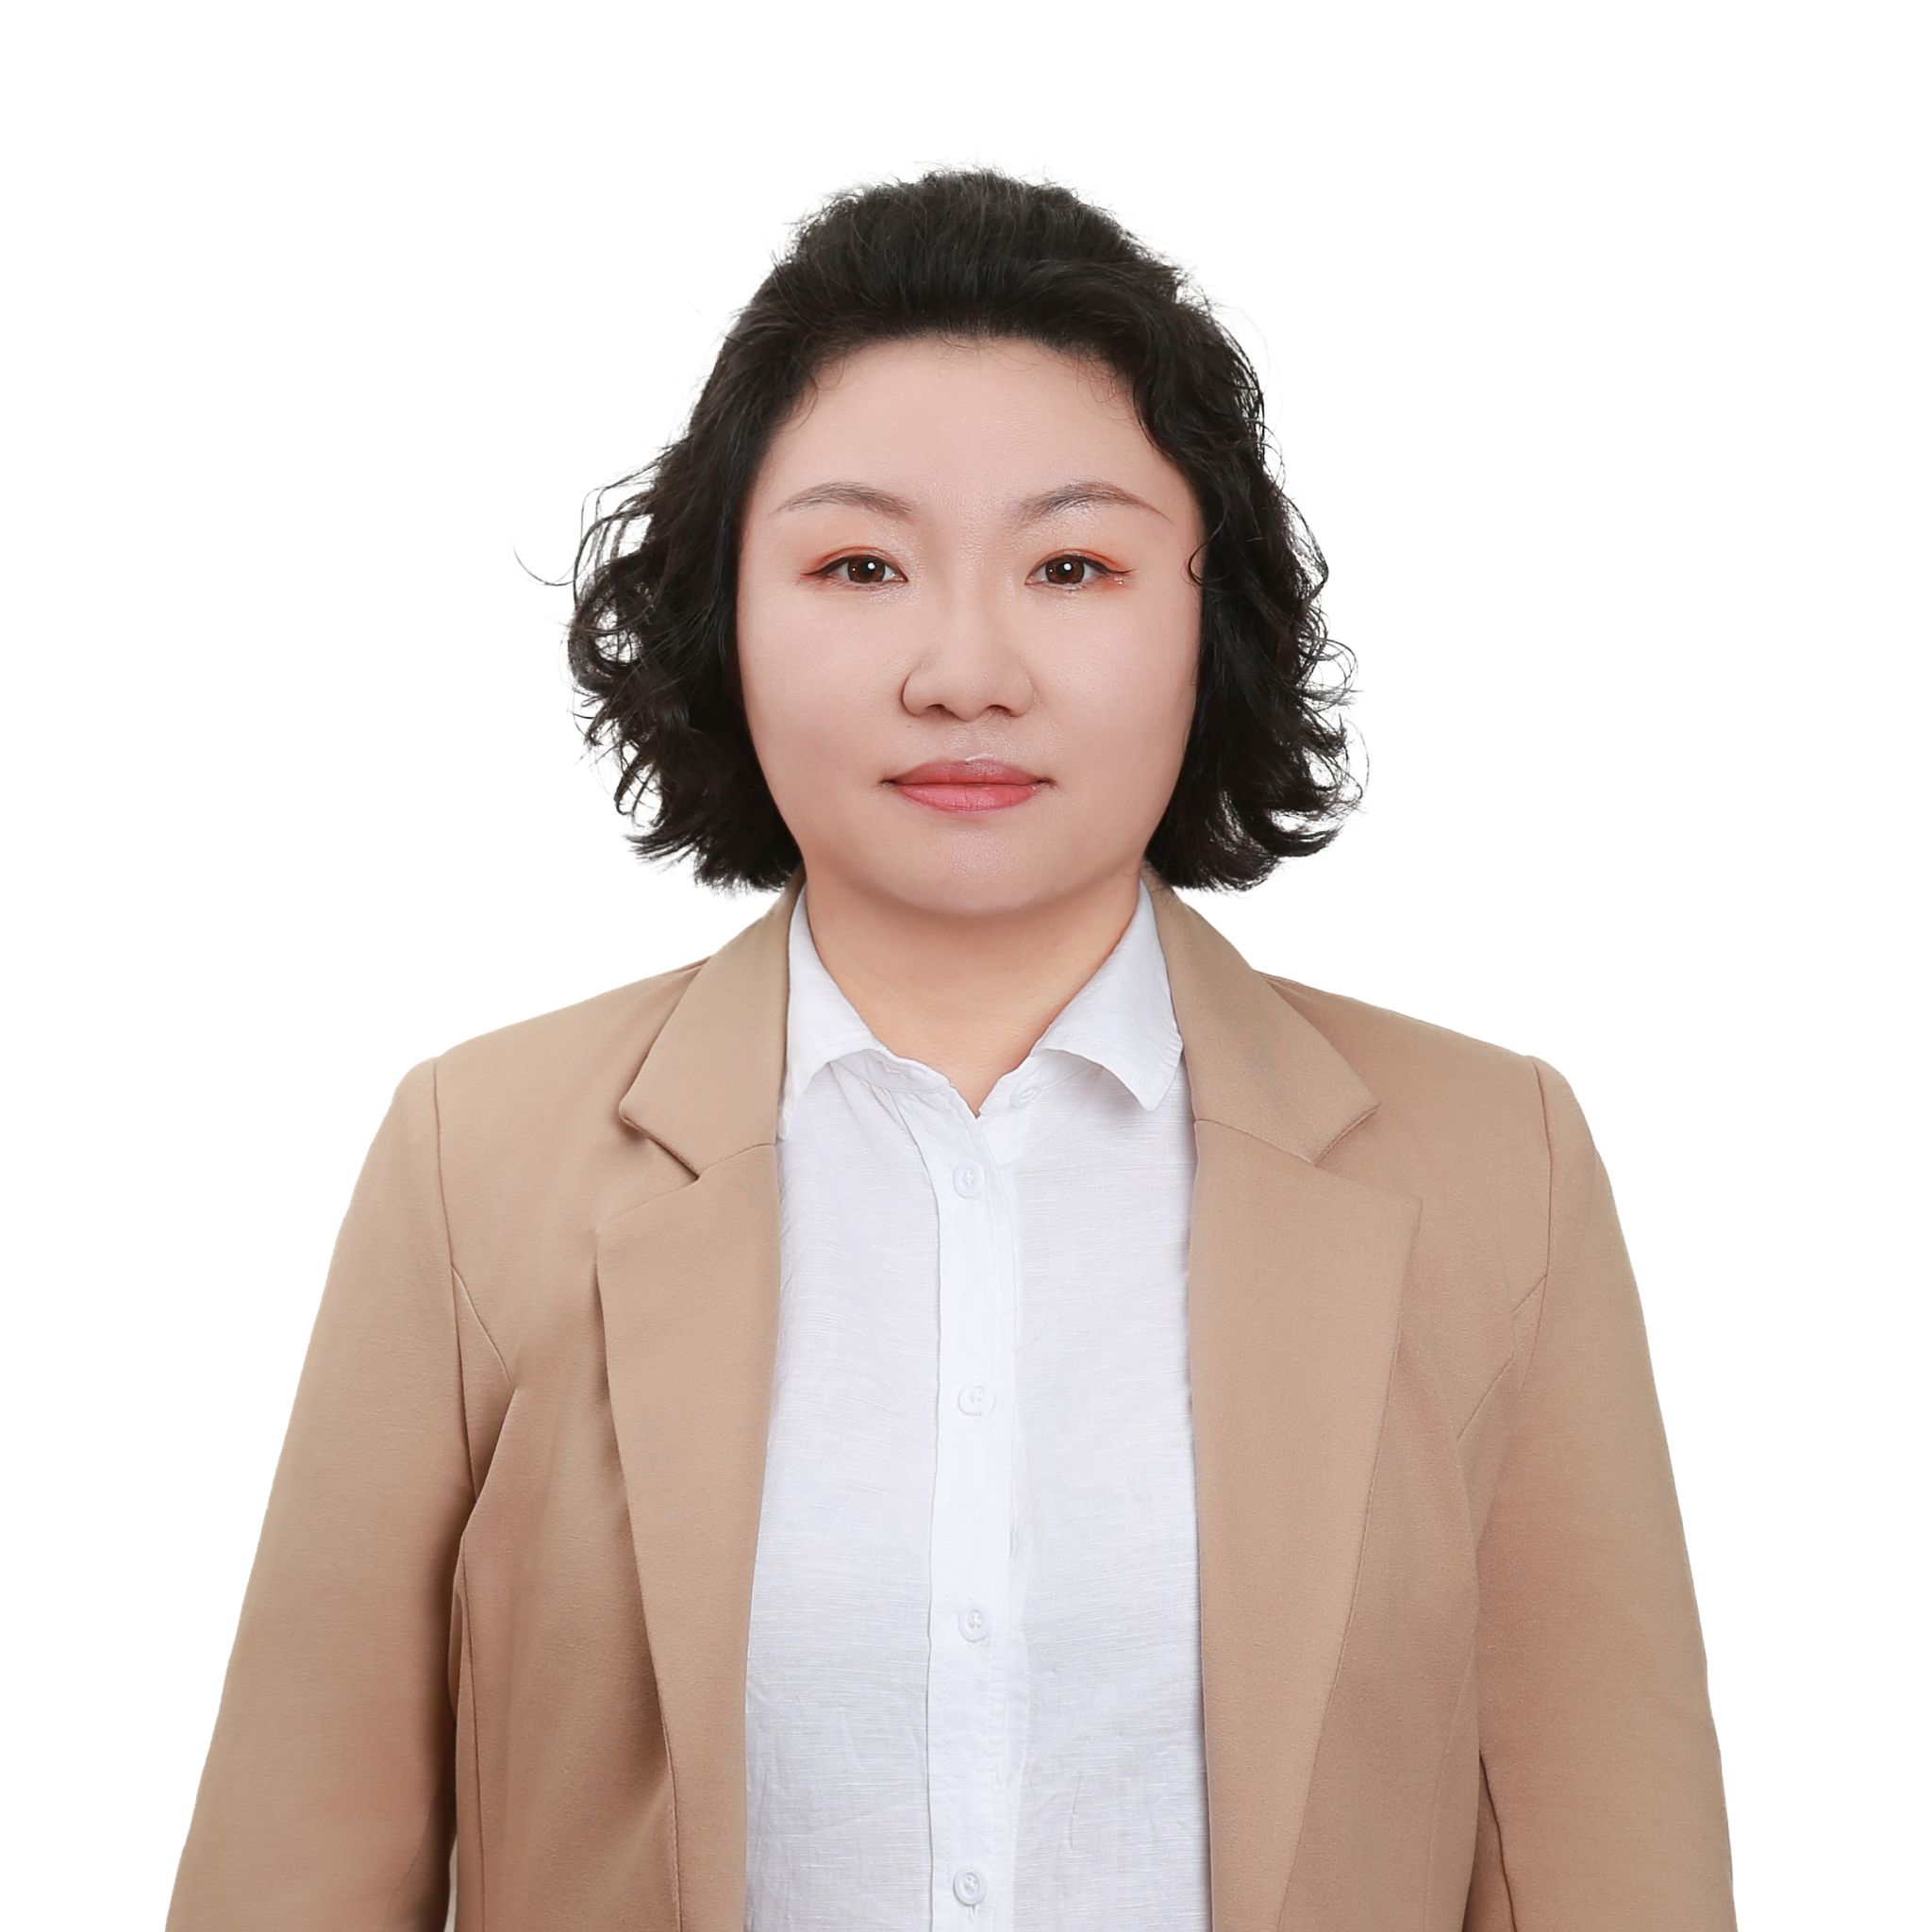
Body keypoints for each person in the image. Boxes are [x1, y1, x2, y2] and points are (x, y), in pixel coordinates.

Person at [166, 165, 1738, 1931]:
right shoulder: (478, 1159)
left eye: (1072, 565)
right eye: (860, 565)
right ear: (725, 613)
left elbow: (1614, 1869)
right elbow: (293, 1873)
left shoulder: (1496, 1165)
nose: (965, 670)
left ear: (1206, 620)